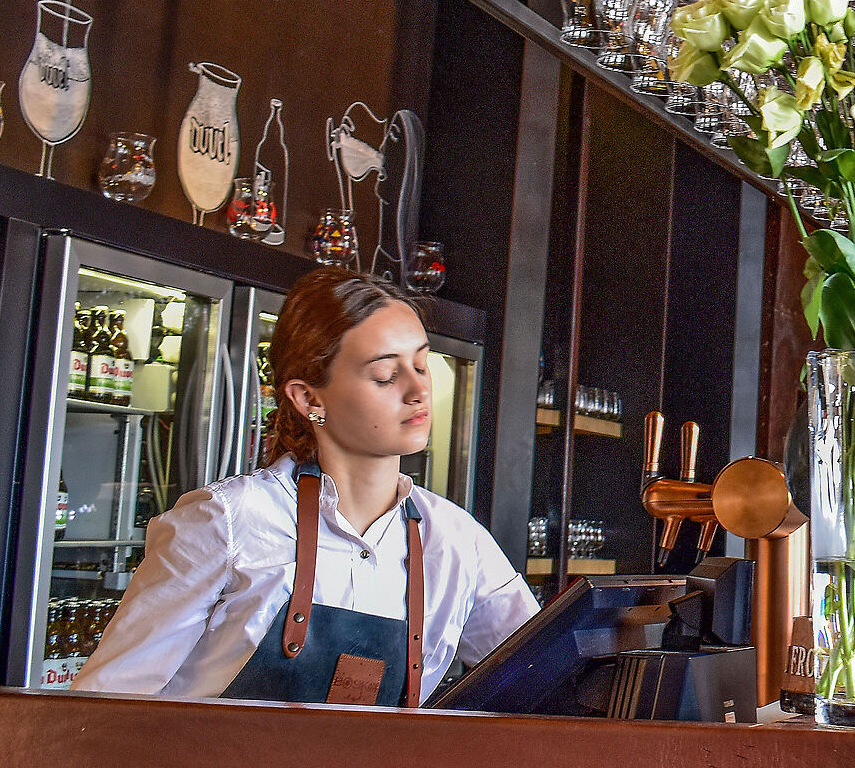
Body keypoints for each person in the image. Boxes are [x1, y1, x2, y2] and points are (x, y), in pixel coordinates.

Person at [75, 269, 536, 705]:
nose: (418, 390)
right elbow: (103, 707)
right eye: (385, 374)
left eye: (421, 364)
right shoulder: (227, 522)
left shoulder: (456, 540)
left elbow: (543, 674)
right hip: (218, 767)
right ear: (308, 397)